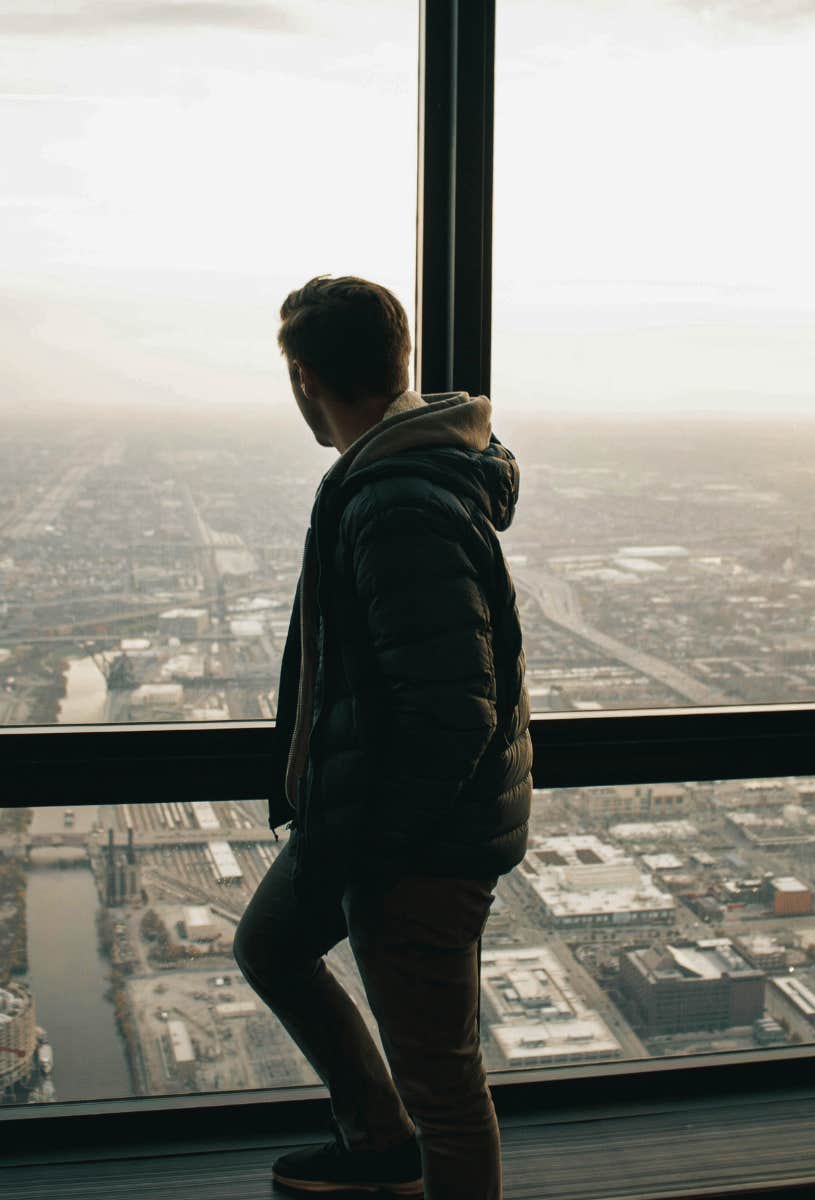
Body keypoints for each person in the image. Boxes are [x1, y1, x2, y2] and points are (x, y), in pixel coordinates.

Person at [233, 275, 532, 1199]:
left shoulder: (394, 500)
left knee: (443, 1084)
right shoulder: (398, 475)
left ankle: (396, 1140)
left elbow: (451, 714)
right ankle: (375, 1138)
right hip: (376, 820)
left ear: (304, 379)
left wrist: (382, 848)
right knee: (272, 944)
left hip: (414, 842)